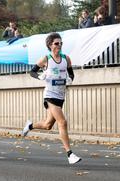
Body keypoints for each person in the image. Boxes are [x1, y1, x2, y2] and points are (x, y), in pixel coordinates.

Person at [22, 33, 81, 164]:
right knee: (62, 122)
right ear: (50, 45)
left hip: (61, 95)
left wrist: (70, 79)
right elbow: (32, 71)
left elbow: (71, 73)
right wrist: (40, 77)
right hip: (50, 95)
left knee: (48, 125)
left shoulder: (66, 59)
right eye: (56, 43)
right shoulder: (46, 59)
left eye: (60, 43)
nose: (59, 45)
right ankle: (70, 154)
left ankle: (30, 126)